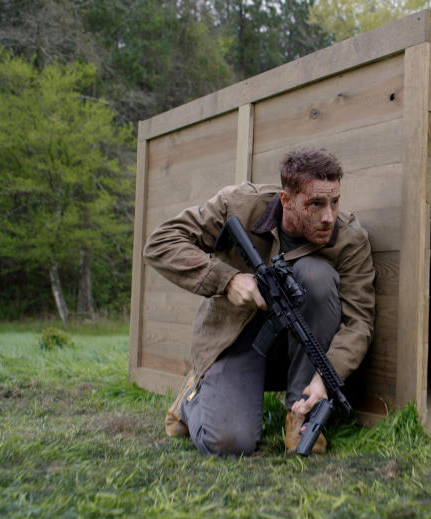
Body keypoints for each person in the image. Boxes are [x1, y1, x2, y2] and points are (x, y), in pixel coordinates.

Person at [144, 148, 375, 456]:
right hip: (236, 338)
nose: (328, 217)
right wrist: (227, 280)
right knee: (229, 443)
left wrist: (326, 377)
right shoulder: (239, 204)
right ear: (285, 200)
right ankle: (190, 398)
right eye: (315, 204)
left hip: (301, 351)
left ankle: (299, 413)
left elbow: (359, 321)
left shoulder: (349, 240)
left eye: (335, 202)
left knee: (316, 274)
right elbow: (162, 242)